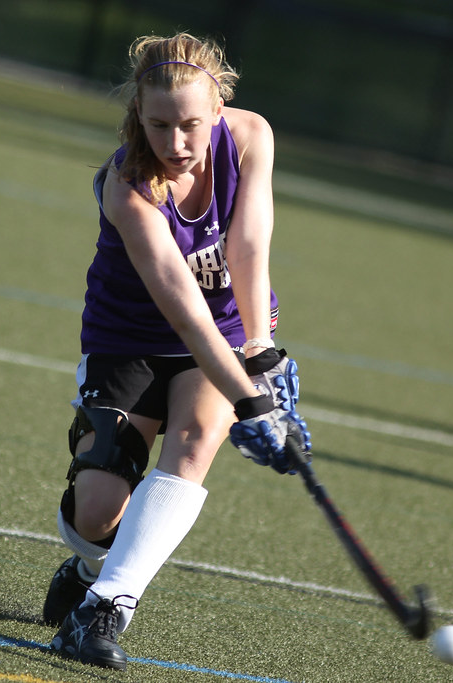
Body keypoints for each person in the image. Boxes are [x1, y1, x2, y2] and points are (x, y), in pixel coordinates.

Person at [44, 32, 311, 671]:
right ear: (138, 111)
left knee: (194, 439)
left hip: (222, 332)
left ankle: (106, 608)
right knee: (98, 515)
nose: (177, 144)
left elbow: (249, 248)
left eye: (191, 124)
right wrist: (254, 404)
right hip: (130, 337)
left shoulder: (251, 136)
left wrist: (260, 350)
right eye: (160, 125)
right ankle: (88, 567)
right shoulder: (128, 186)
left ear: (217, 108)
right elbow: (186, 319)